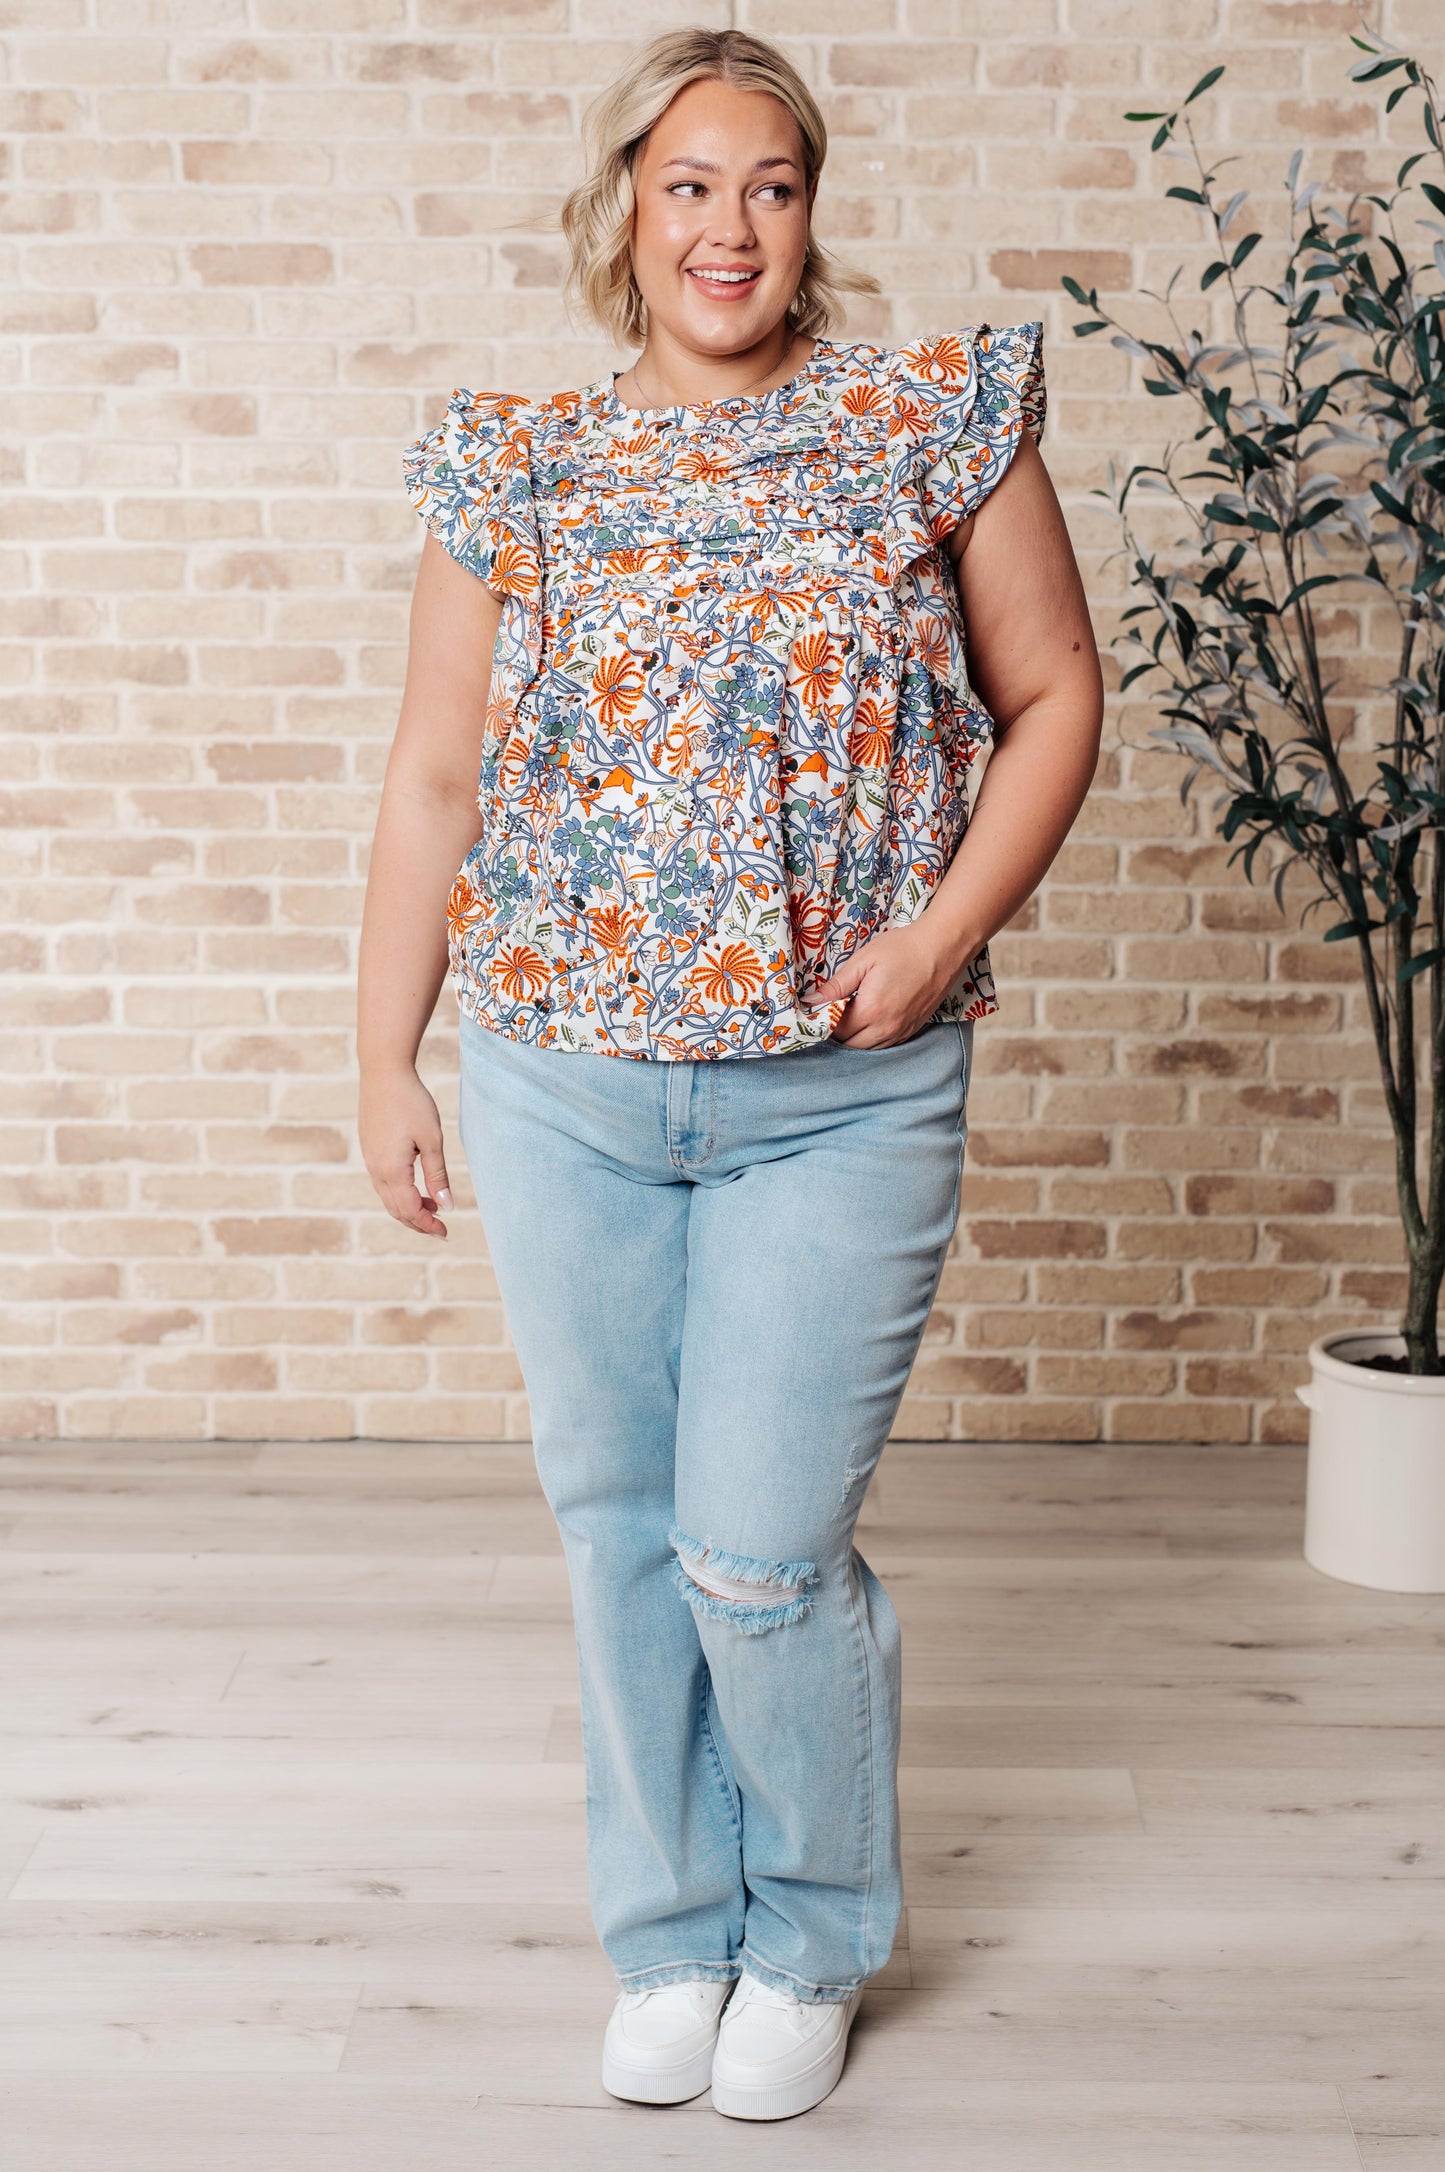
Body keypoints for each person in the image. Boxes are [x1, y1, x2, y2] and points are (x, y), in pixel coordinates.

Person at [358, 25, 1101, 2124]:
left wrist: (935, 942)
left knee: (759, 1557)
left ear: (811, 211)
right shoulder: (515, 458)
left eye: (771, 185)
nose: (731, 227)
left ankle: (816, 1936)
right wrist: (381, 1053)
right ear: (624, 207)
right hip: (560, 1084)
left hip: (838, 1101)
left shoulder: (925, 419)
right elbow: (432, 780)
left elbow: (1056, 694)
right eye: (690, 184)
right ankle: (673, 1936)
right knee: (619, 1535)